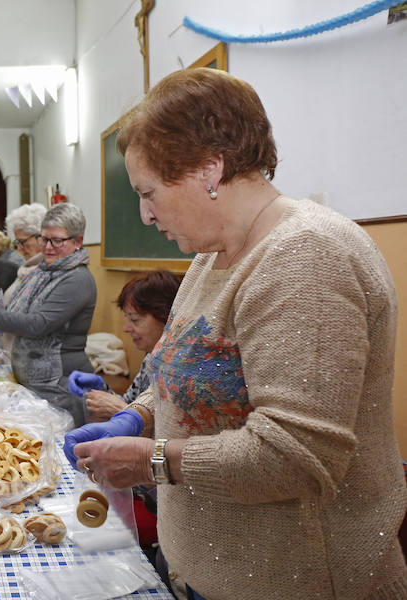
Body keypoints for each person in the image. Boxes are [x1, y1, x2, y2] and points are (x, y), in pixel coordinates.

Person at [65, 68, 406, 599]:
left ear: (208, 169)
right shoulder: (211, 257)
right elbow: (193, 369)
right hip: (210, 574)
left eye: (148, 192)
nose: (145, 215)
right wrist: (140, 412)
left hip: (298, 581)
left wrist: (150, 459)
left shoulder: (306, 258)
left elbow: (295, 455)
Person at [0, 203, 95, 426]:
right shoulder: (43, 270)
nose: (48, 247)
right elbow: (19, 312)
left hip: (58, 385)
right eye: (44, 239)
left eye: (57, 240)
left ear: (78, 241)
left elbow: (39, 324)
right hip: (35, 385)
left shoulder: (77, 279)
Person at [68, 270, 181, 422]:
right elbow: (131, 402)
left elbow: (167, 434)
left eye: (135, 320)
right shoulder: (151, 357)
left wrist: (122, 411)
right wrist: (101, 388)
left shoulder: (181, 371)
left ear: (166, 318)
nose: (126, 328)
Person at [3, 203, 47, 303]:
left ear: (41, 237)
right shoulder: (27, 267)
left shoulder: (48, 270)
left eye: (22, 242)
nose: (19, 248)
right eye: (17, 243)